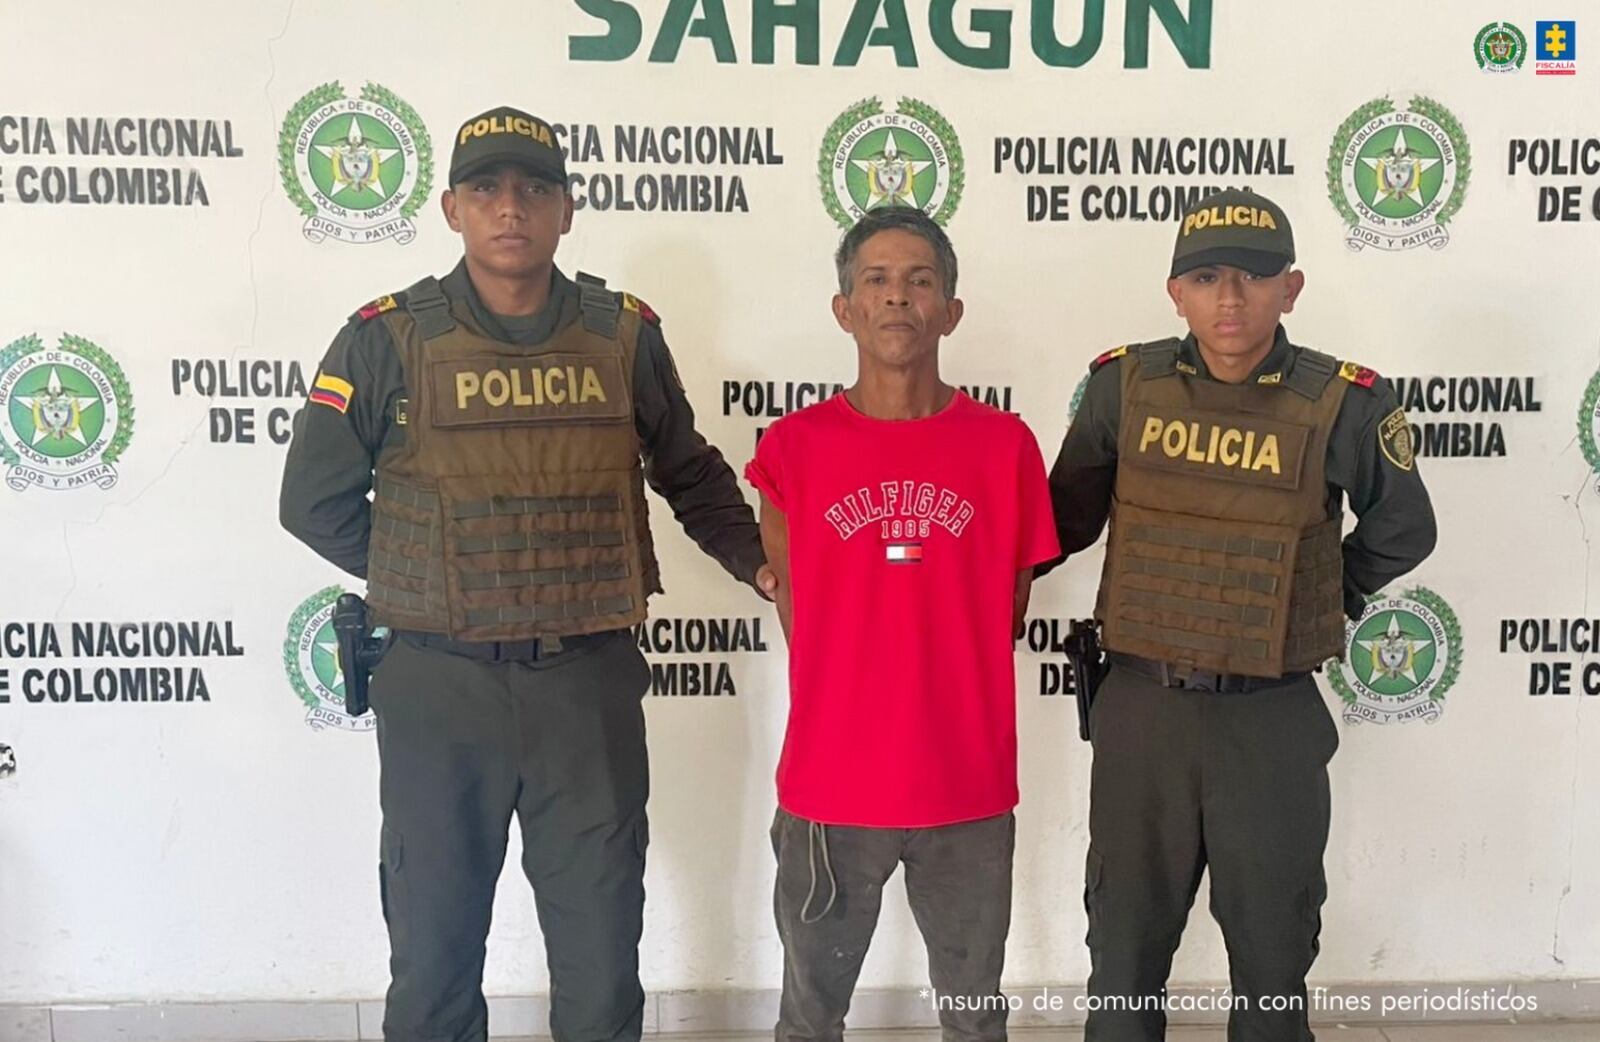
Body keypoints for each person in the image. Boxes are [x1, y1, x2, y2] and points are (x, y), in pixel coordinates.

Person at [279, 105, 777, 1042]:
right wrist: (432, 571)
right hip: (440, 684)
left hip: (583, 686)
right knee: (432, 956)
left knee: (599, 961)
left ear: (568, 210)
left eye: (535, 189)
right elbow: (313, 501)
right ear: (451, 208)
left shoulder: (622, 335)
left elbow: (689, 470)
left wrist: (760, 565)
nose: (512, 208)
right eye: (488, 189)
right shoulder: (384, 340)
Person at [1041, 189, 1436, 1042]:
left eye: (1254, 278)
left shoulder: (1347, 402)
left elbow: (1407, 527)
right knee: (1122, 958)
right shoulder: (1124, 387)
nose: (1230, 298)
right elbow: (1058, 525)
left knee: (1270, 962)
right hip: (1145, 712)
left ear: (1289, 289)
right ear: (1175, 291)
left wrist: (1323, 592)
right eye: (1207, 277)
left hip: (1271, 718)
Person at [745, 207, 1060, 1042]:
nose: (897, 298)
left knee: (974, 1016)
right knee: (811, 1017)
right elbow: (796, 607)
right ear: (844, 308)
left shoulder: (1006, 448)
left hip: (967, 785)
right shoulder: (792, 450)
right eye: (875, 281)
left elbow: (1011, 607)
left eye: (920, 280)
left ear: (951, 311)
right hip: (829, 787)